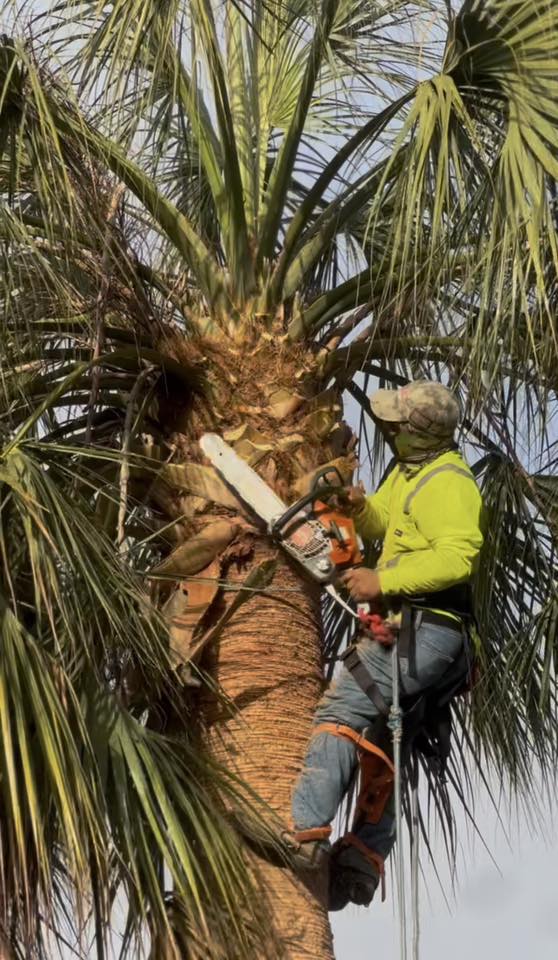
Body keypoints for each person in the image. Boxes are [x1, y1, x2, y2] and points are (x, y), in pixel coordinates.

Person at [290, 380, 484, 908]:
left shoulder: (450, 483)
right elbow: (386, 520)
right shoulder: (410, 471)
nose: (390, 428)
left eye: (398, 423)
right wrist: (357, 506)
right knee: (389, 734)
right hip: (420, 634)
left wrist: (382, 582)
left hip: (430, 631)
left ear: (416, 433)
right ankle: (360, 862)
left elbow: (457, 556)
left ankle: (303, 835)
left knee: (343, 706)